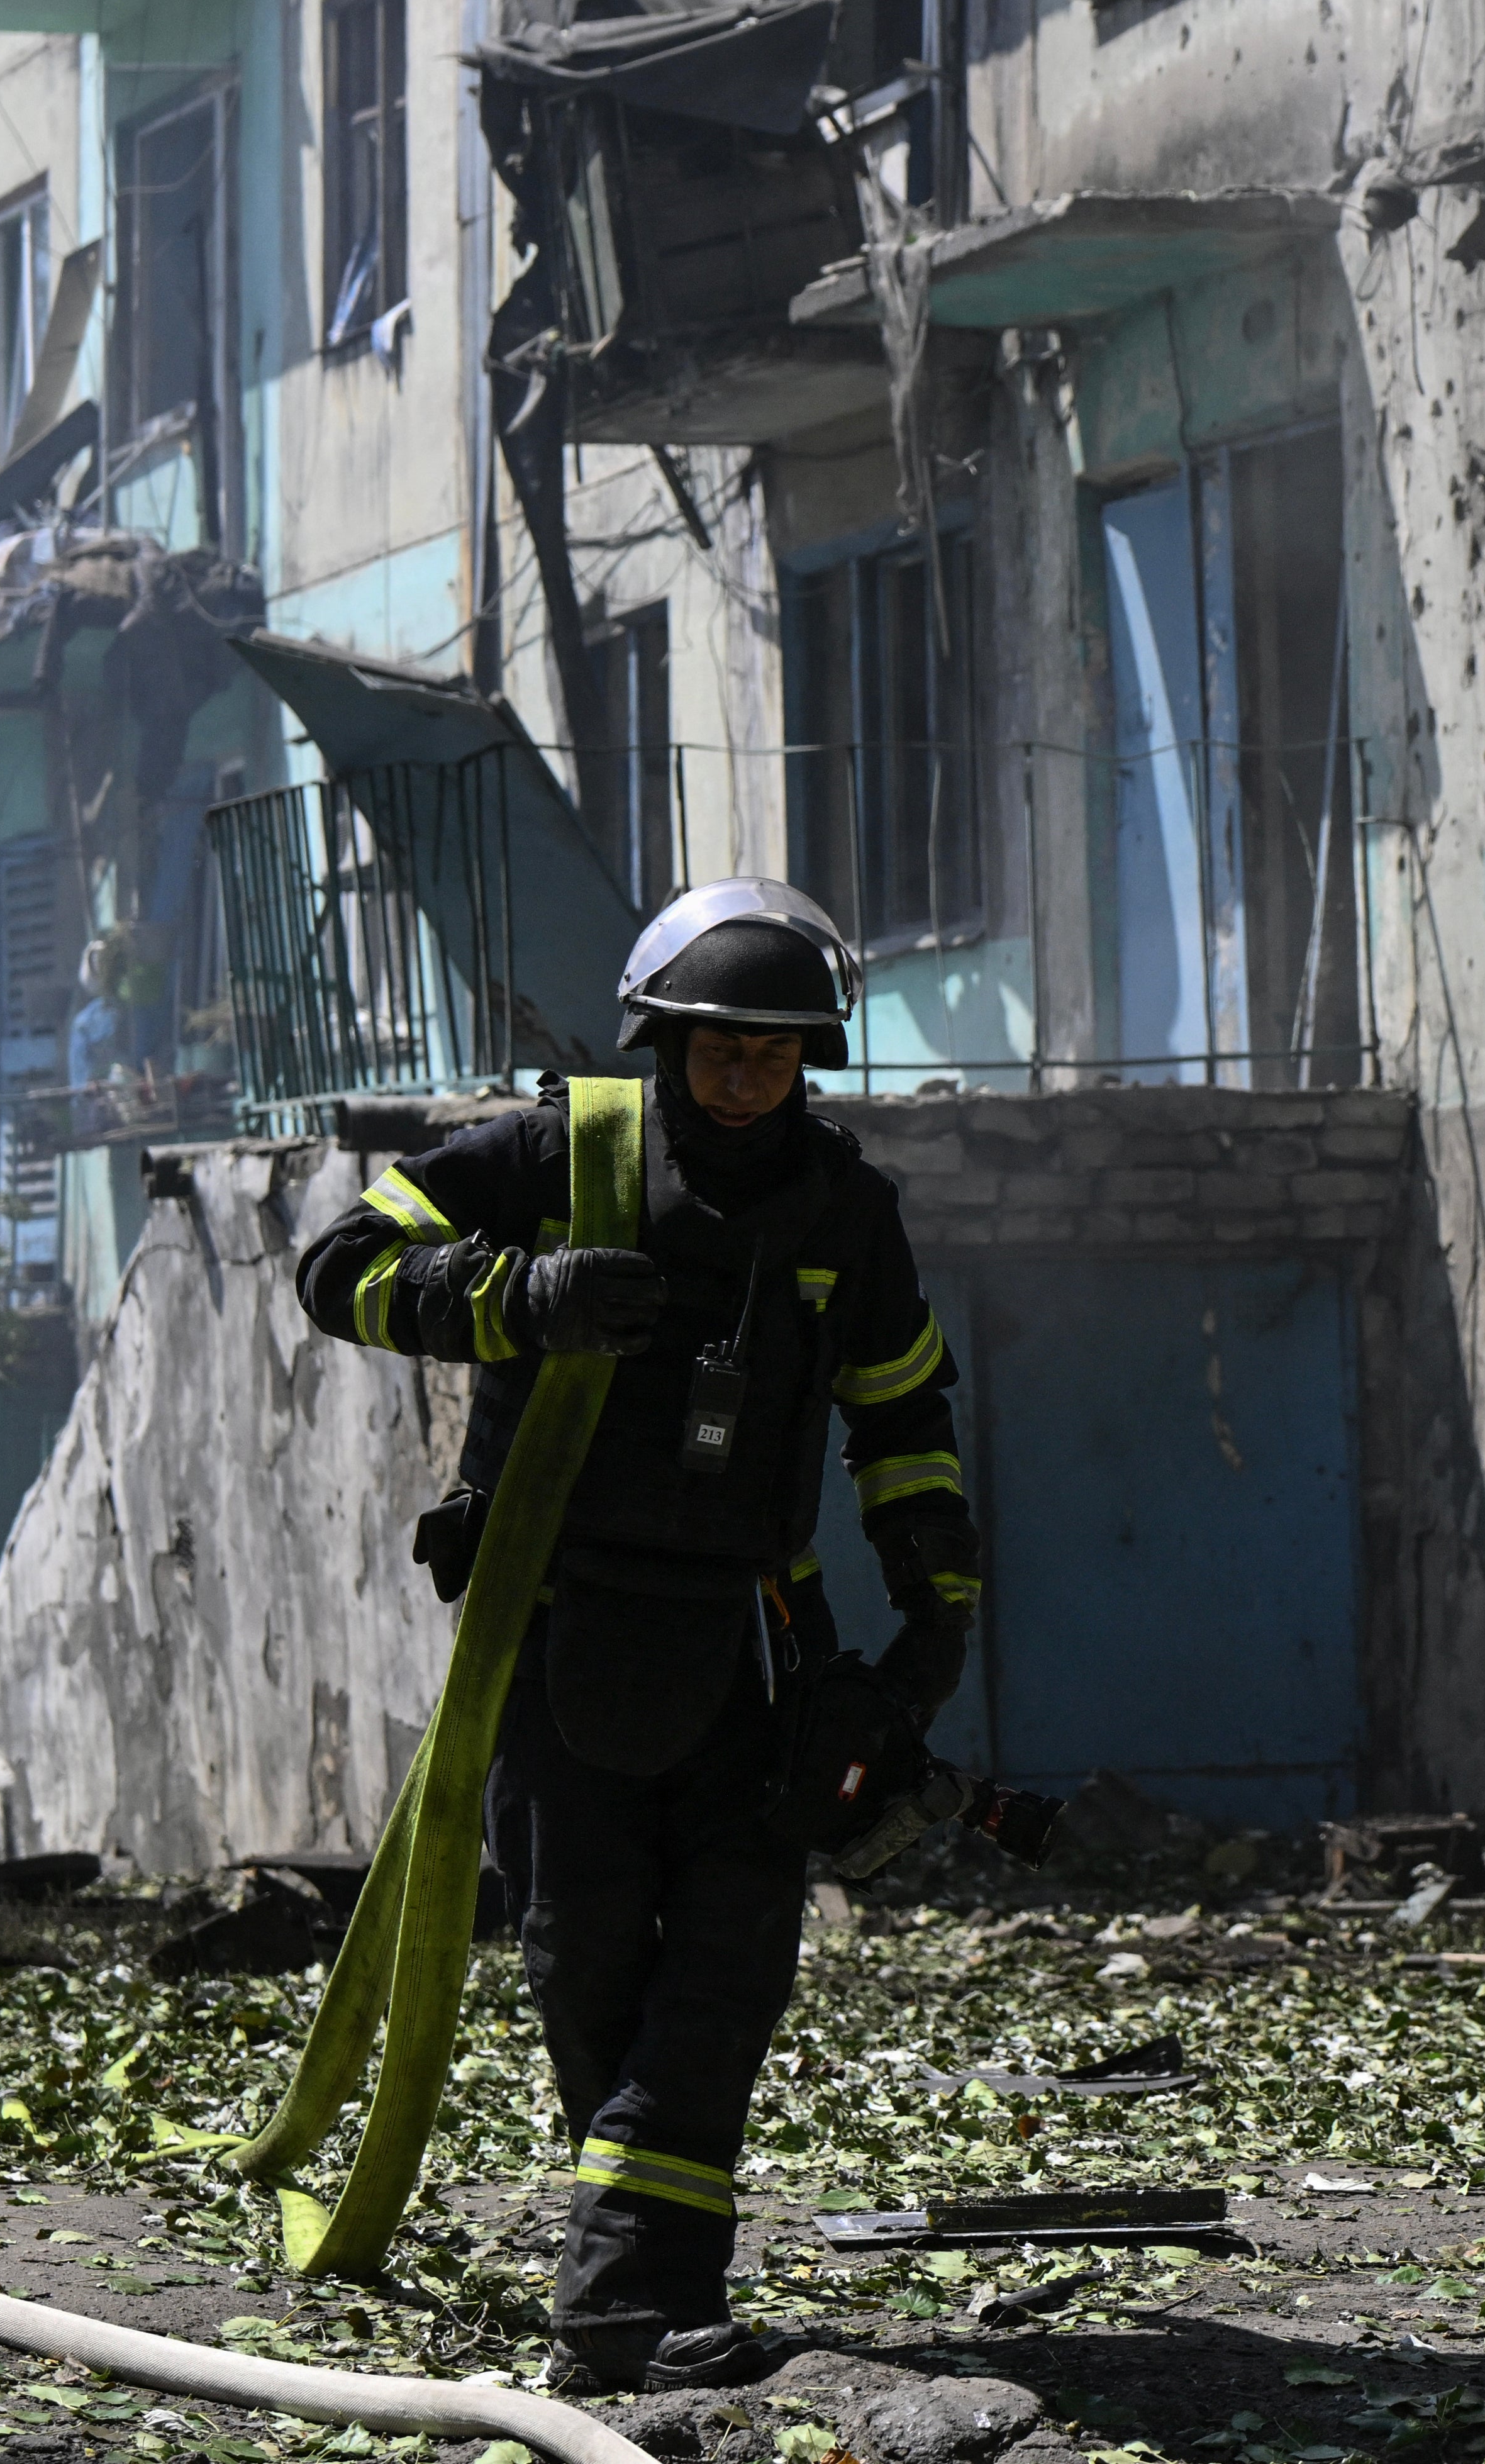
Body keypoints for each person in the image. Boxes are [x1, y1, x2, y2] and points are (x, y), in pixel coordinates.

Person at [288, 878, 979, 2393]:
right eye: (719, 1047)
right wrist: (510, 1293)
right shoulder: (551, 1157)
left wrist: (935, 1625)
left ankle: (625, 2304)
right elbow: (337, 1268)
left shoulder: (844, 1212)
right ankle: (644, 2302)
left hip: (751, 1645)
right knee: (588, 1955)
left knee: (731, 1960)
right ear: (661, 1041)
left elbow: (901, 1420)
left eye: (774, 1053)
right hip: (554, 1631)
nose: (744, 1077)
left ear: (809, 1059)